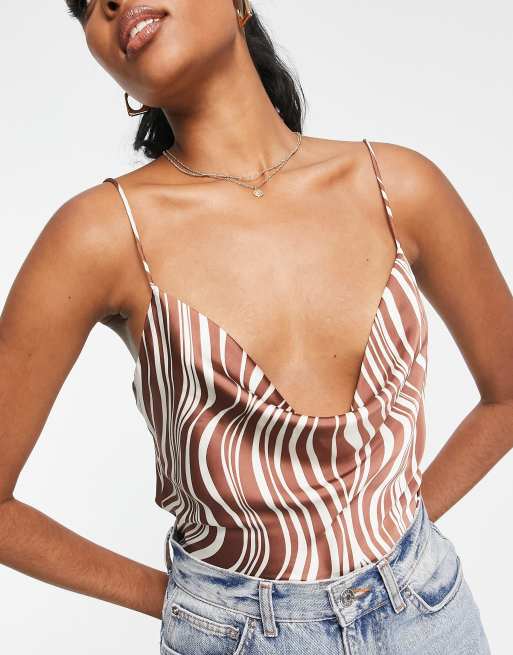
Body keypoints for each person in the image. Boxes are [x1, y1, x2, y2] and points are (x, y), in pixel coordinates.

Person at [1, 1, 509, 652]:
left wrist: (401, 531)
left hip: (430, 618)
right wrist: (186, 603)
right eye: (84, 5)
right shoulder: (100, 235)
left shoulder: (399, 186)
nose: (109, 2)